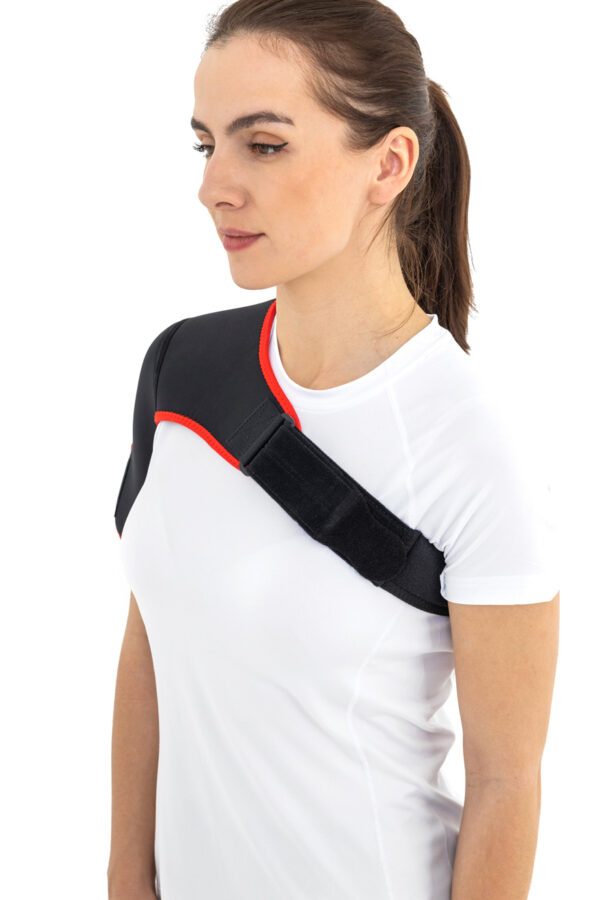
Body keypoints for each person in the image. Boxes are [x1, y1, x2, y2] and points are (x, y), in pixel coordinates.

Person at [107, 2, 560, 899]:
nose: (214, 186)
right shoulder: (184, 369)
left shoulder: (471, 445)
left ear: (389, 164)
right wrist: (126, 877)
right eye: (206, 145)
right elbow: (156, 631)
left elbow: (506, 782)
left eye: (264, 145)